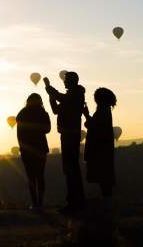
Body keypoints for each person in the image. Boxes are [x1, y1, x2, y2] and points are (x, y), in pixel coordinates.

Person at [44, 72, 86, 213]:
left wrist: (48, 87)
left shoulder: (75, 95)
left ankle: (75, 202)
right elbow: (56, 110)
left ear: (73, 81)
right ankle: (75, 201)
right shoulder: (74, 95)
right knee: (70, 168)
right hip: (68, 135)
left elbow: (60, 99)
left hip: (69, 135)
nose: (64, 82)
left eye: (67, 80)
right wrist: (51, 97)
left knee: (71, 168)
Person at [15, 93, 51, 209]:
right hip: (40, 148)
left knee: (31, 177)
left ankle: (34, 203)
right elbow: (48, 129)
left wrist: (21, 146)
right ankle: (40, 202)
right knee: (40, 176)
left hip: (27, 149)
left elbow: (19, 133)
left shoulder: (22, 114)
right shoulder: (43, 113)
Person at [83, 87, 117, 199]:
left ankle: (107, 199)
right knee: (105, 174)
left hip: (99, 148)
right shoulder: (105, 110)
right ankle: (107, 198)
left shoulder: (103, 111)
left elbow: (94, 125)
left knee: (103, 175)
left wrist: (87, 115)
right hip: (103, 147)